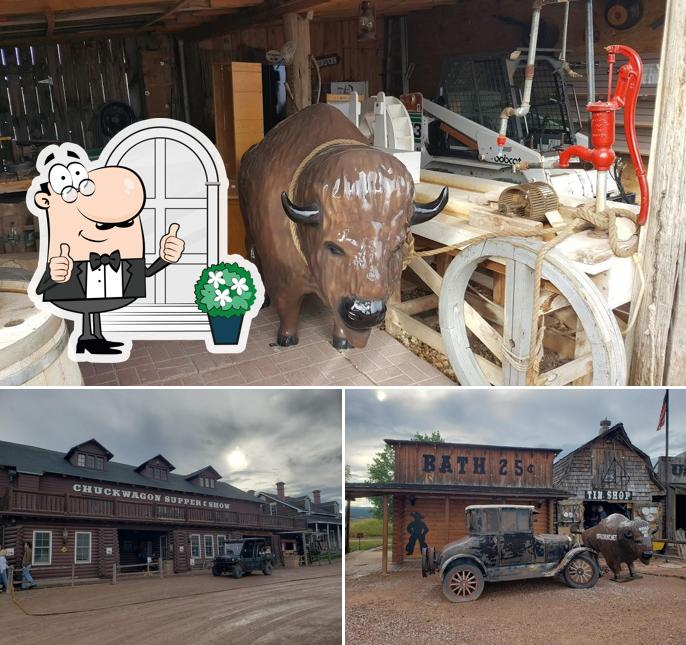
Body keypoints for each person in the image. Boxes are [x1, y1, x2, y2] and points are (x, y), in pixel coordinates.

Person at [31, 144, 185, 356]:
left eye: (124, 223)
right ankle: (87, 337)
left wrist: (166, 258)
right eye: (103, 224)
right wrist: (55, 275)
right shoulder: (65, 255)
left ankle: (93, 338)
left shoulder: (125, 258)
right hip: (76, 283)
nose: (109, 230)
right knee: (87, 305)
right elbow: (40, 288)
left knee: (93, 306)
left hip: (108, 286)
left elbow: (145, 272)